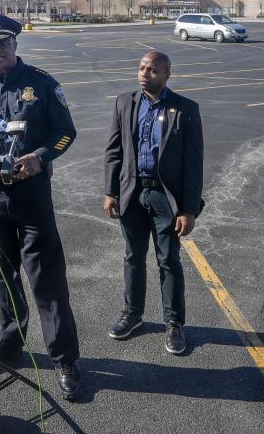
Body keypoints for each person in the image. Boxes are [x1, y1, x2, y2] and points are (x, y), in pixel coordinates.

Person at [0, 13, 83, 400]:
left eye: (3, 43)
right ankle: (11, 344)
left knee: (46, 278)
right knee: (2, 275)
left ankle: (65, 359)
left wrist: (41, 157)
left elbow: (66, 132)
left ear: (16, 44)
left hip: (30, 194)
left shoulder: (42, 84)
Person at [103, 51, 204, 355]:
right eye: (142, 67)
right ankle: (133, 315)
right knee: (133, 256)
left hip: (165, 196)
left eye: (153, 70)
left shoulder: (185, 109)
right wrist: (110, 192)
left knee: (168, 261)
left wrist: (187, 209)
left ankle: (174, 323)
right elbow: (114, 151)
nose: (145, 73)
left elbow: (193, 164)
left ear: (167, 75)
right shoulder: (124, 103)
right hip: (131, 193)